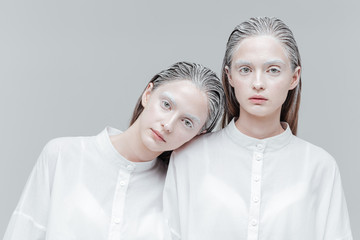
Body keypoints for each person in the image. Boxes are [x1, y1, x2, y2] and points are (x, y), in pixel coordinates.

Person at [163, 17, 353, 240]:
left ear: (294, 77)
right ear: (230, 75)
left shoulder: (320, 166)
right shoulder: (189, 157)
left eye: (273, 70)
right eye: (245, 69)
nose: (258, 83)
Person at [3, 62, 224, 240]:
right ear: (148, 94)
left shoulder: (177, 190)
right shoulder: (62, 155)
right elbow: (24, 230)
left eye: (187, 122)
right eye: (166, 105)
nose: (168, 124)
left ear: (198, 135)